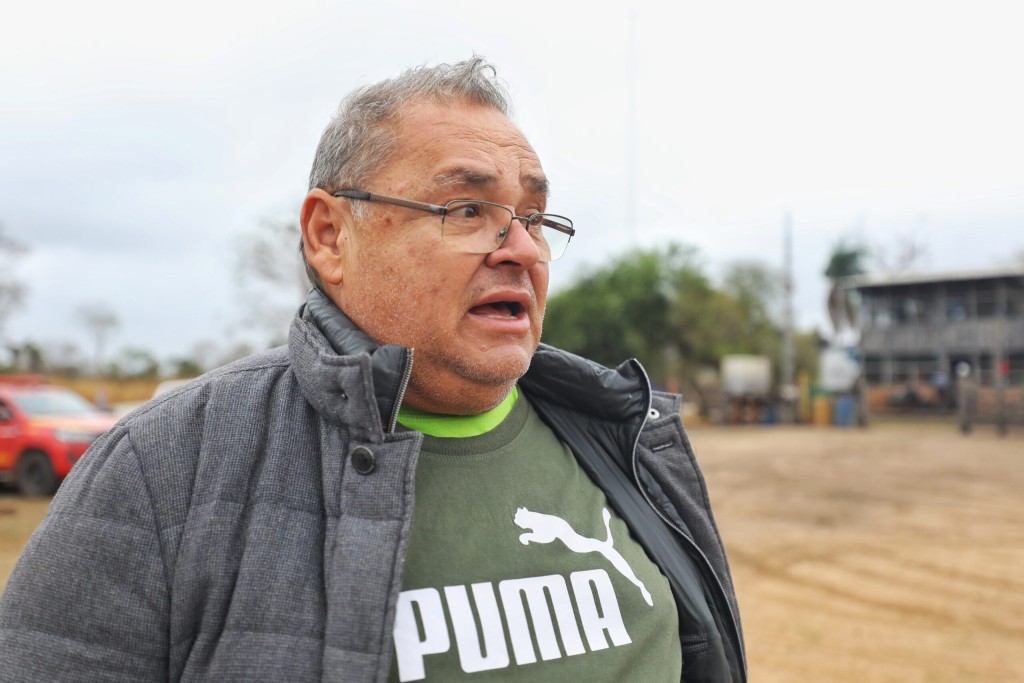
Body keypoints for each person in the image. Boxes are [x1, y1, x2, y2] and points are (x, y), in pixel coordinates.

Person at [0, 58, 744, 682]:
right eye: (467, 209)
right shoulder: (161, 468)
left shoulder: (630, 438)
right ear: (330, 236)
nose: (522, 249)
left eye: (535, 218)